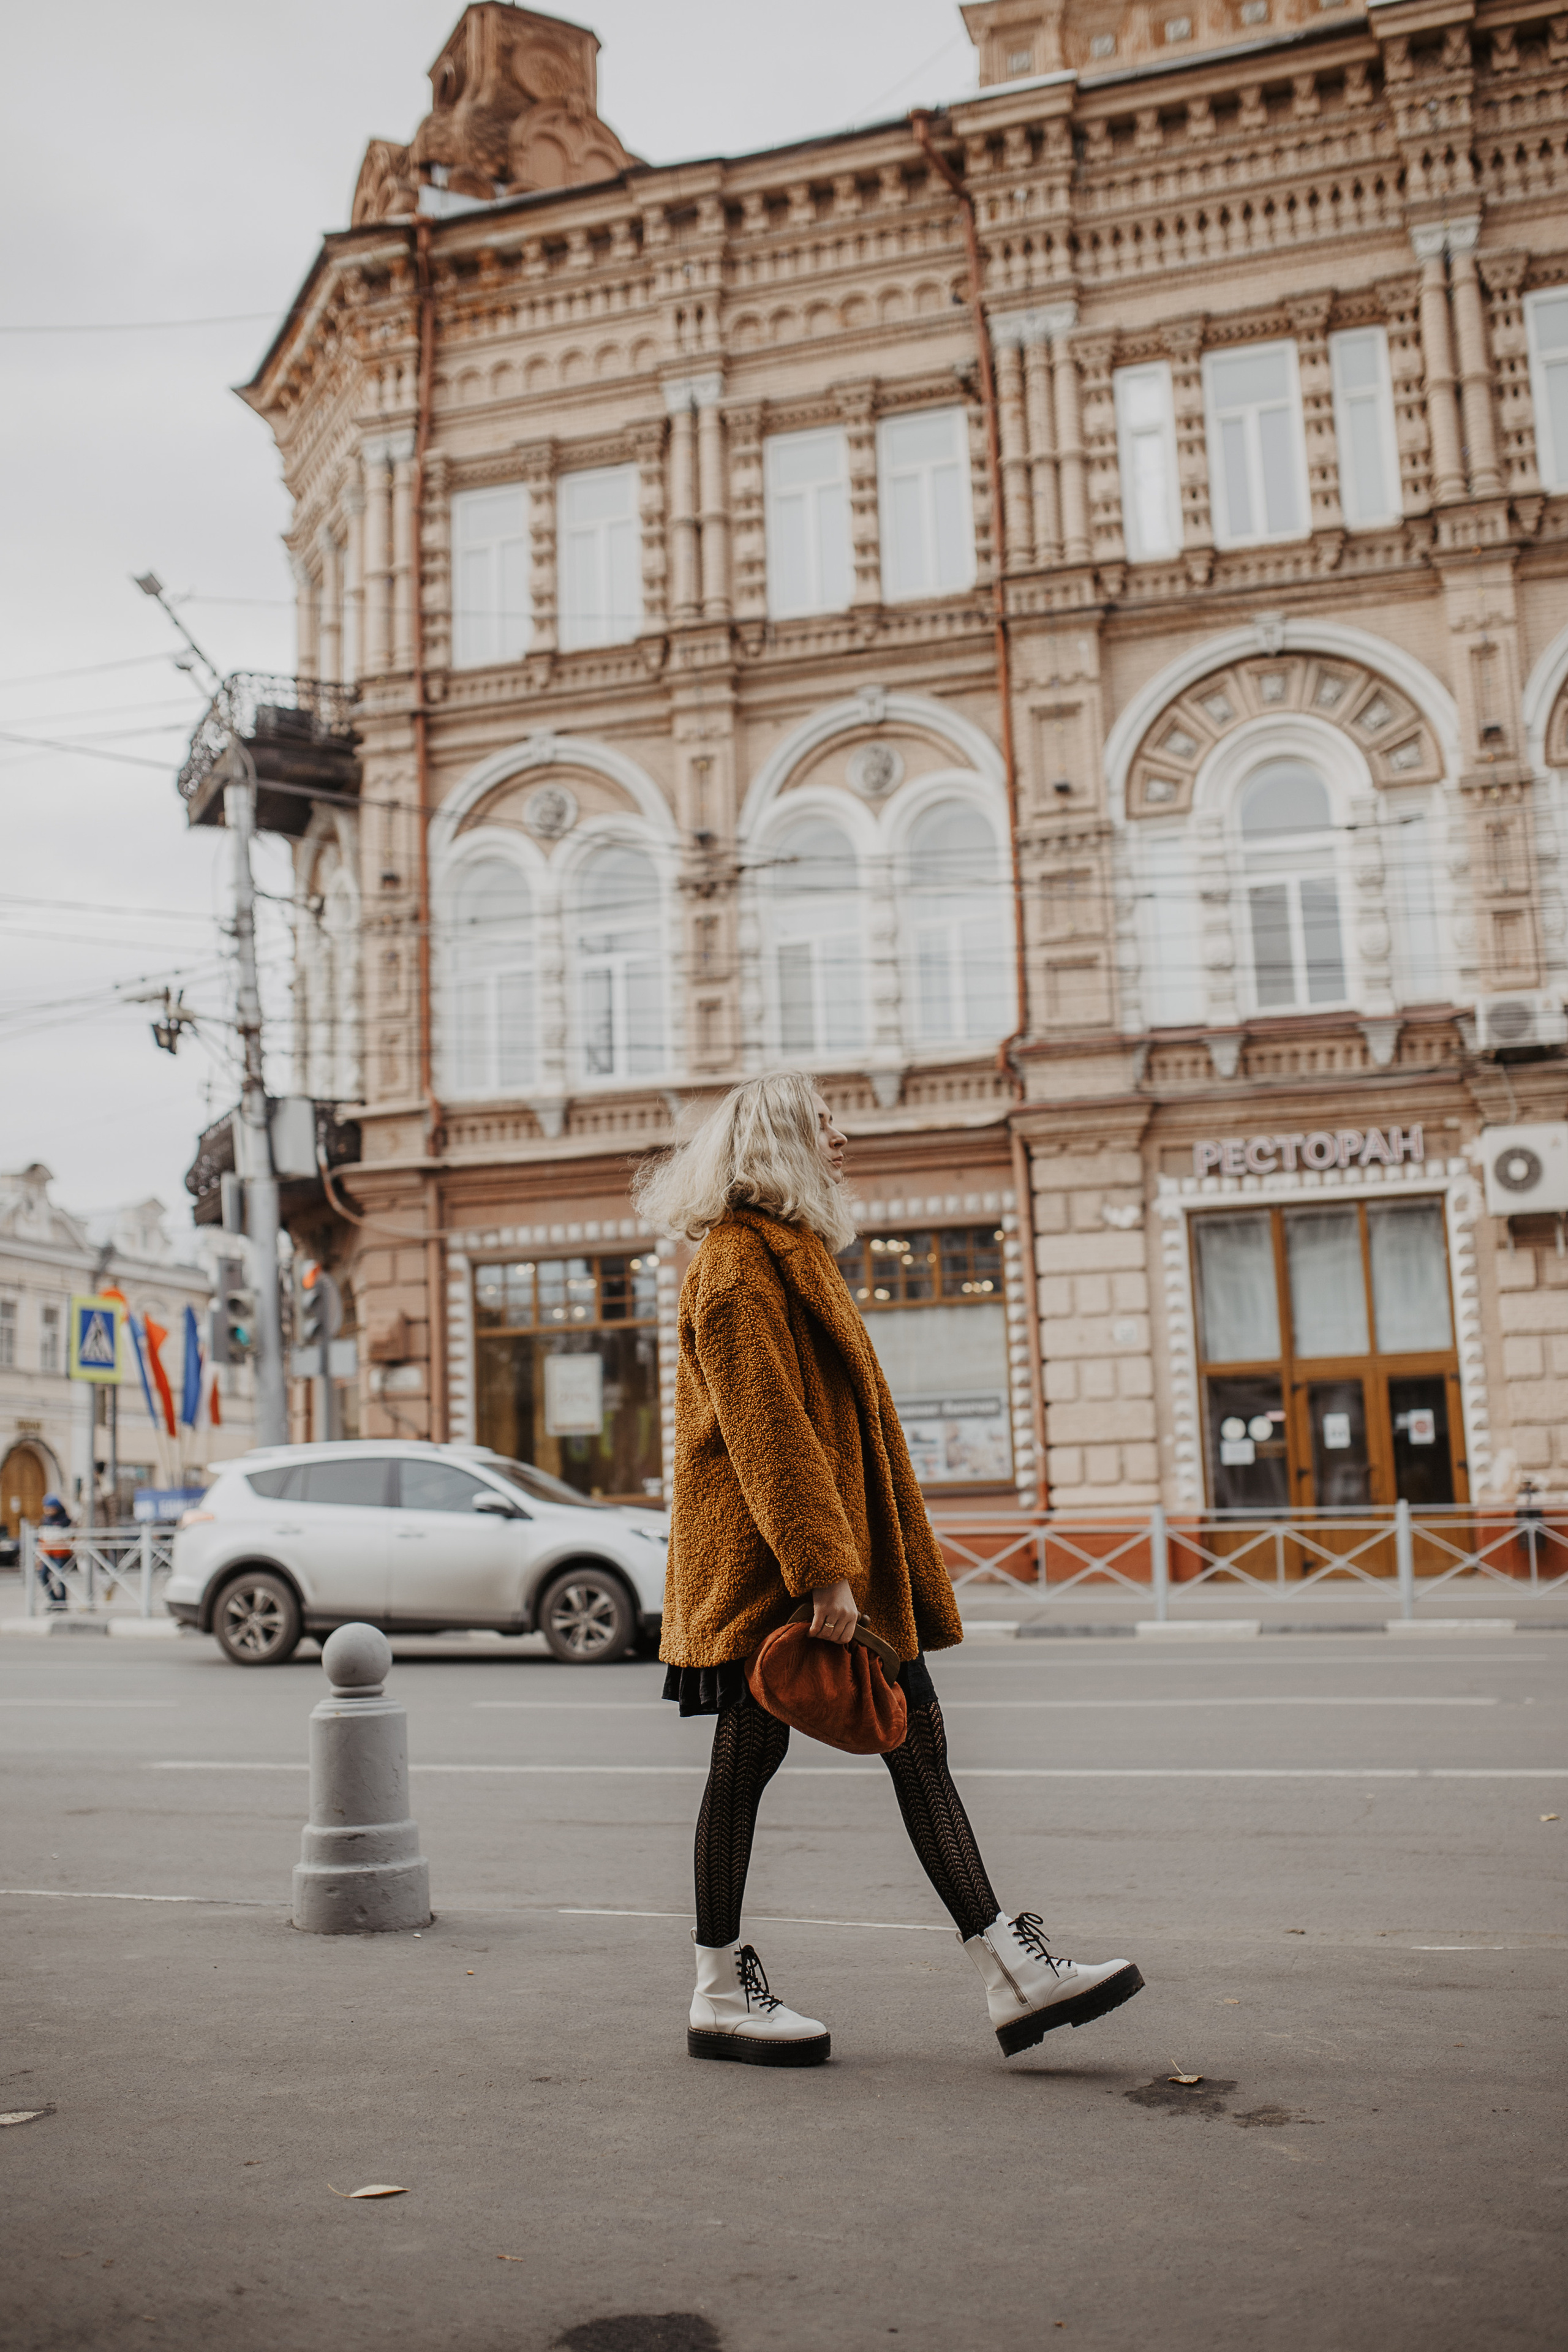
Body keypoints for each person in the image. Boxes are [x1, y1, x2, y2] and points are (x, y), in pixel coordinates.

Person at [636, 1069, 1144, 2067]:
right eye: (826, 1123)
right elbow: (769, 1436)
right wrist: (826, 1572)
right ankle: (723, 1991)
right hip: (773, 1570)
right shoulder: (738, 1266)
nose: (844, 1136)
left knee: (897, 1746)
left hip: (818, 1560)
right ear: (780, 1140)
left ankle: (1010, 1972)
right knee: (750, 1767)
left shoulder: (792, 1257)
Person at [37, 1493, 72, 1611]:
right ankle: (54, 1600)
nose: (47, 1510)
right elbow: (42, 1537)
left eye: (49, 1507)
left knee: (60, 1577)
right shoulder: (45, 1520)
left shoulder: (65, 1520)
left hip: (60, 1554)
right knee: (43, 1576)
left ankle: (62, 1602)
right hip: (48, 1553)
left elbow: (69, 1537)